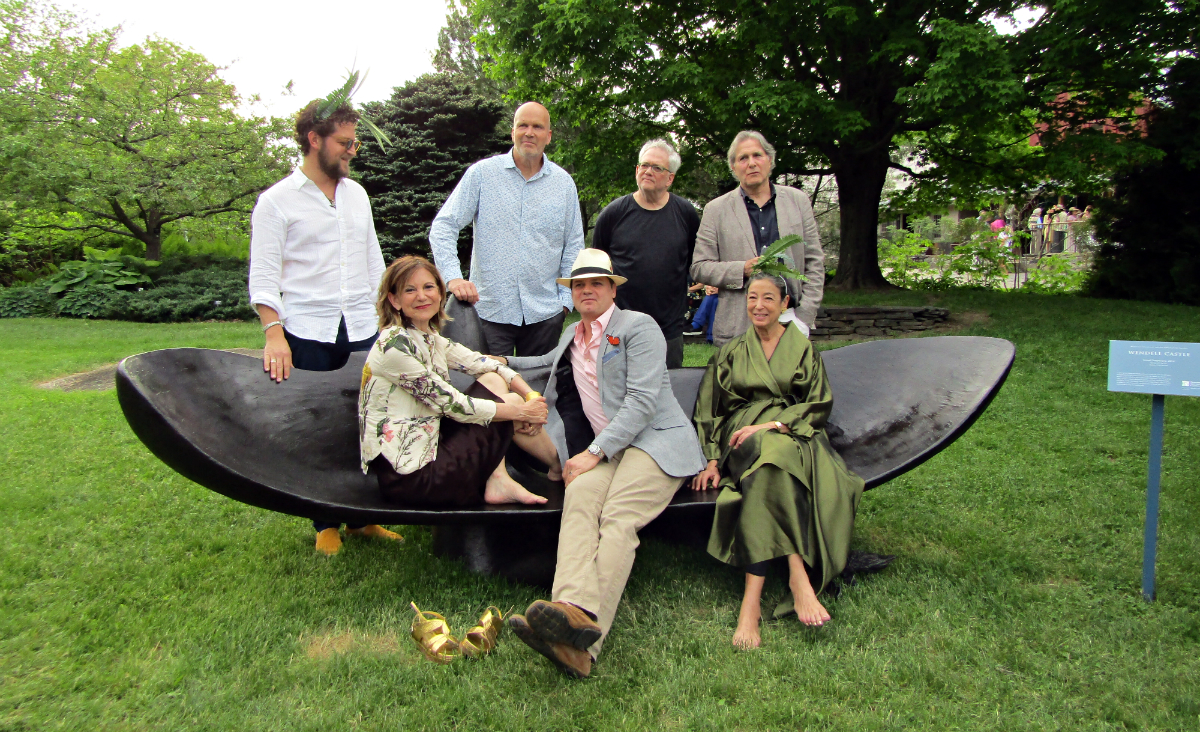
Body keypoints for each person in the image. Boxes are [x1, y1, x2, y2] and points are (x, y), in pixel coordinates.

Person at [499, 249, 707, 678]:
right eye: (579, 284)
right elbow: (542, 363)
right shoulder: (574, 332)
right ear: (572, 294)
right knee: (578, 496)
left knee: (617, 517)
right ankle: (566, 612)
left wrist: (592, 452)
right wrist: (499, 363)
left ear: (613, 289)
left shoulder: (638, 327)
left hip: (656, 443)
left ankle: (585, 642)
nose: (587, 290)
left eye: (597, 283)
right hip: (613, 449)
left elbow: (643, 401)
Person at [248, 96, 400, 555]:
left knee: (366, 419)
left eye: (355, 141)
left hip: (360, 326)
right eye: (344, 142)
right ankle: (324, 522)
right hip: (307, 329)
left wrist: (389, 317)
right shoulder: (276, 202)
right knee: (317, 426)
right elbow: (264, 273)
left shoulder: (357, 195)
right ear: (314, 140)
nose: (353, 150)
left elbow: (373, 259)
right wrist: (274, 332)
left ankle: (362, 518)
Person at [691, 272, 864, 649]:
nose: (758, 306)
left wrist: (774, 424)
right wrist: (712, 460)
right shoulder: (731, 351)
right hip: (741, 434)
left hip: (791, 433)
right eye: (752, 297)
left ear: (785, 304)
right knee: (769, 457)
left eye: (768, 298)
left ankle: (751, 603)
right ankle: (797, 577)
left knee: (772, 464)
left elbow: (819, 403)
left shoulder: (802, 349)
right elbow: (709, 410)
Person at [359, 256, 561, 507]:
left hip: (431, 448)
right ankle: (558, 467)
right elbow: (453, 405)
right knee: (507, 403)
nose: (422, 296)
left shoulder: (426, 337)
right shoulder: (394, 347)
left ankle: (540, 470)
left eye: (428, 287)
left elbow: (485, 363)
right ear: (394, 300)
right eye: (410, 290)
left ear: (440, 293)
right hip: (412, 478)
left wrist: (531, 398)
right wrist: (521, 412)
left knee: (493, 379)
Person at [428, 101, 584, 359]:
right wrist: (452, 278)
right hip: (489, 311)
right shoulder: (482, 175)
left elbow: (573, 246)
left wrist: (565, 303)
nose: (529, 132)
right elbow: (444, 226)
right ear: (512, 132)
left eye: (537, 126)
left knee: (538, 391)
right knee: (490, 390)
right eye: (522, 125)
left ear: (549, 136)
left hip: (545, 314)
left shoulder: (564, 184)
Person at [691, 130, 824, 347]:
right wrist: (741, 269)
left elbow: (815, 262)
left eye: (757, 155)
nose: (751, 163)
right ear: (733, 167)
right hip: (737, 328)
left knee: (790, 381)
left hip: (790, 321)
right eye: (743, 158)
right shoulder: (716, 210)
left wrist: (804, 317)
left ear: (769, 160)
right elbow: (700, 267)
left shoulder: (797, 201)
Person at [592, 139, 700, 368]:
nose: (648, 171)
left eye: (657, 167)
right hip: (620, 327)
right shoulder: (613, 214)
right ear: (636, 170)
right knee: (617, 394)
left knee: (666, 393)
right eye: (644, 165)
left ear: (670, 178)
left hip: (668, 329)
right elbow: (597, 269)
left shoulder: (685, 214)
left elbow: (691, 260)